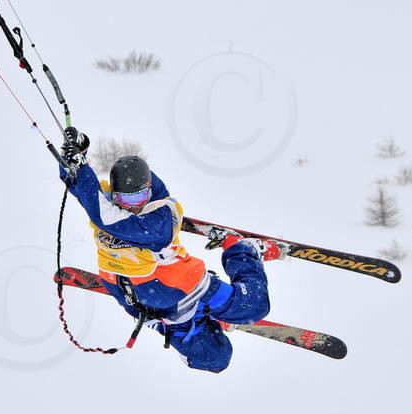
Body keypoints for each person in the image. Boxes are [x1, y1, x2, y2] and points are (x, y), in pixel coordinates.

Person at [59, 130, 286, 373]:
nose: (134, 205)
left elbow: (97, 204)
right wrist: (74, 160)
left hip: (184, 287)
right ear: (115, 196)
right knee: (215, 359)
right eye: (126, 199)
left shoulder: (158, 219)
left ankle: (243, 251)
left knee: (255, 306)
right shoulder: (106, 207)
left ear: (149, 191)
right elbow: (79, 187)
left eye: (140, 196)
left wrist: (81, 171)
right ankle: (208, 319)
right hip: (156, 304)